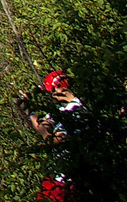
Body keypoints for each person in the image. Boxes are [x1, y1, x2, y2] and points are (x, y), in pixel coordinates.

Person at [18, 69, 83, 200]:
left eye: (52, 91)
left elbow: (57, 140)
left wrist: (47, 137)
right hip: (56, 177)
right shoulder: (63, 108)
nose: (52, 95)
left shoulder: (76, 110)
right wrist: (27, 108)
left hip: (68, 180)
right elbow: (42, 126)